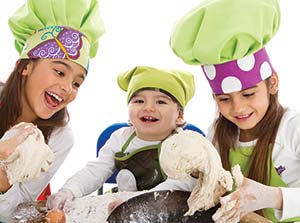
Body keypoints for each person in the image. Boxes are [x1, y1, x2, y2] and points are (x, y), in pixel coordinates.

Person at [169, 0, 300, 222]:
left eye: (248, 94)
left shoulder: (293, 128)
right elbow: (191, 183)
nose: (238, 108)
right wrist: (138, 197)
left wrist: (273, 196)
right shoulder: (218, 133)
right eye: (224, 99)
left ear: (273, 83)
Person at [0, 0, 104, 221]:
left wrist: (3, 175)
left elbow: (12, 211)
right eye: (59, 72)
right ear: (24, 66)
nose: (68, 88)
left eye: (77, 83)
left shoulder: (60, 137)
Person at [47, 65, 199, 210]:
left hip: (167, 207)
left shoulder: (184, 144)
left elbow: (182, 183)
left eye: (160, 102)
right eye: (139, 101)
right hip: (121, 203)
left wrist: (139, 201)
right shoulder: (120, 138)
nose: (148, 108)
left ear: (179, 116)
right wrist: (69, 190)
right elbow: (96, 170)